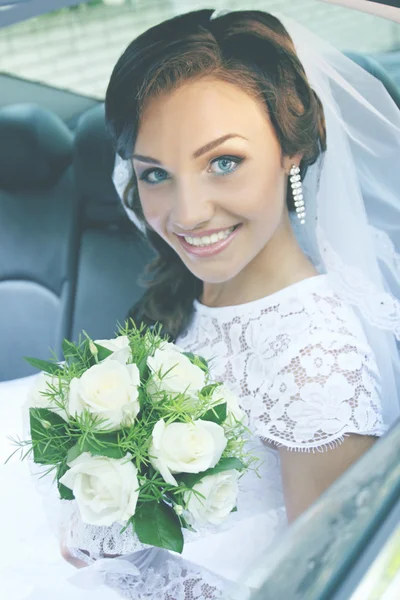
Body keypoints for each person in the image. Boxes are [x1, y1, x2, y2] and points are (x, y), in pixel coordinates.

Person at [25, 7, 400, 600]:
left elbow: (314, 586)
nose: (189, 212)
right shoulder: (194, 295)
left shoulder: (318, 358)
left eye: (223, 162)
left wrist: (125, 559)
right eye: (156, 175)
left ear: (290, 150)